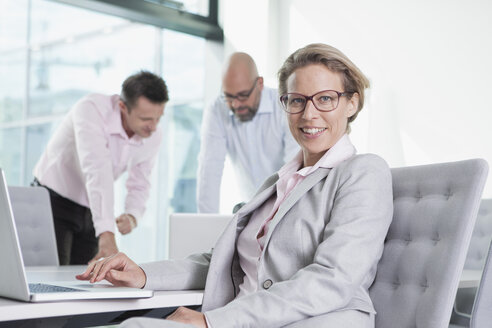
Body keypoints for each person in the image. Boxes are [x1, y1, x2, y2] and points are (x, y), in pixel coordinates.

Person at [77, 43, 393, 328]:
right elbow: (221, 264)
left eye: (325, 99)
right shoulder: (276, 183)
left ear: (352, 103)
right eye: (297, 101)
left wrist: (212, 321)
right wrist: (143, 273)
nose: (309, 114)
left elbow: (333, 280)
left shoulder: (362, 172)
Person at [33, 71, 169, 265]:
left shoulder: (153, 133)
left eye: (158, 118)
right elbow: (97, 170)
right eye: (146, 119)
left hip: (91, 207)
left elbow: (141, 180)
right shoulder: (91, 110)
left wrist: (132, 214)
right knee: (52, 277)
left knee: (87, 278)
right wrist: (107, 232)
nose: (154, 127)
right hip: (53, 200)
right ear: (123, 107)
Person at [197, 52, 299, 213]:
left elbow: (294, 166)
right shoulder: (217, 110)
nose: (236, 104)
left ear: (259, 84)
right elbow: (209, 170)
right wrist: (206, 224)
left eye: (243, 96)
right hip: (249, 209)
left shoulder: (284, 105)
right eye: (229, 97)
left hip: (285, 204)